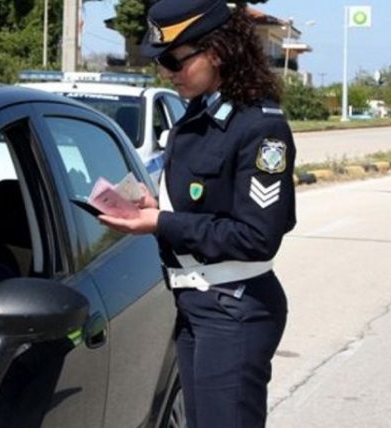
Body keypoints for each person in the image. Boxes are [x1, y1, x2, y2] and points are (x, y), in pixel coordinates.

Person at [98, 1, 295, 426]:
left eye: (174, 60)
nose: (167, 73)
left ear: (218, 51)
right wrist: (157, 209)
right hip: (196, 302)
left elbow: (257, 235)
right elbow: (207, 204)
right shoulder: (200, 114)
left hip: (233, 308)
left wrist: (162, 223)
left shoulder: (260, 128)